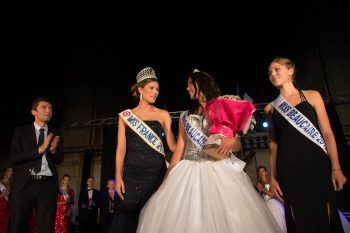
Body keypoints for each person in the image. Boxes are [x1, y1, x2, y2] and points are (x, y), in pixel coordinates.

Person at [136, 69, 281, 233]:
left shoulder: (221, 108)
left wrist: (232, 141)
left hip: (219, 169)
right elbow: (179, 152)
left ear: (200, 84)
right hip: (188, 171)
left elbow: (237, 145)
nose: (187, 88)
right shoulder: (185, 117)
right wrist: (165, 182)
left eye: (190, 84)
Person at [264, 57, 347, 233]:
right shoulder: (271, 108)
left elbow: (327, 133)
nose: (272, 74)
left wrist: (336, 167)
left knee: (326, 215)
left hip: (317, 163)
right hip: (289, 168)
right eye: (270, 72)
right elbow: (273, 145)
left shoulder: (312, 95)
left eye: (276, 69)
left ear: (290, 71)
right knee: (298, 216)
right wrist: (273, 177)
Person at [108, 67, 177, 233]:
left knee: (154, 218)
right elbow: (121, 149)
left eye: (157, 89)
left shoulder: (163, 115)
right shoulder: (126, 116)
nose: (155, 92)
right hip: (132, 174)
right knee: (125, 219)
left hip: (157, 174)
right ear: (140, 89)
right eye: (151, 88)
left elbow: (174, 147)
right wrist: (118, 176)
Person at [9, 97, 64, 233]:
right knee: (18, 225)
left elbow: (60, 159)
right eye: (44, 107)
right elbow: (14, 157)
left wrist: (52, 151)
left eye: (50, 108)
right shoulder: (21, 131)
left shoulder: (55, 133)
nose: (48, 111)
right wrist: (39, 150)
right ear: (34, 111)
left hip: (47, 184)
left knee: (46, 227)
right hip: (24, 184)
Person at [256, 166, 287, 233]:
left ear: (266, 172)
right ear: (258, 173)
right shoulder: (258, 183)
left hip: (273, 203)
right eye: (260, 172)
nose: (261, 173)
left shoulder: (270, 181)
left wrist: (262, 189)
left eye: (263, 171)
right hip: (264, 205)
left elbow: (273, 194)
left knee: (278, 223)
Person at [0, 167, 13, 233]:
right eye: (9, 171)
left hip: (9, 207)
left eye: (12, 171)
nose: (11, 173)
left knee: (7, 225)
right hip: (1, 207)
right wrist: (8, 192)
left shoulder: (13, 183)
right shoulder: (0, 183)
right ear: (6, 172)